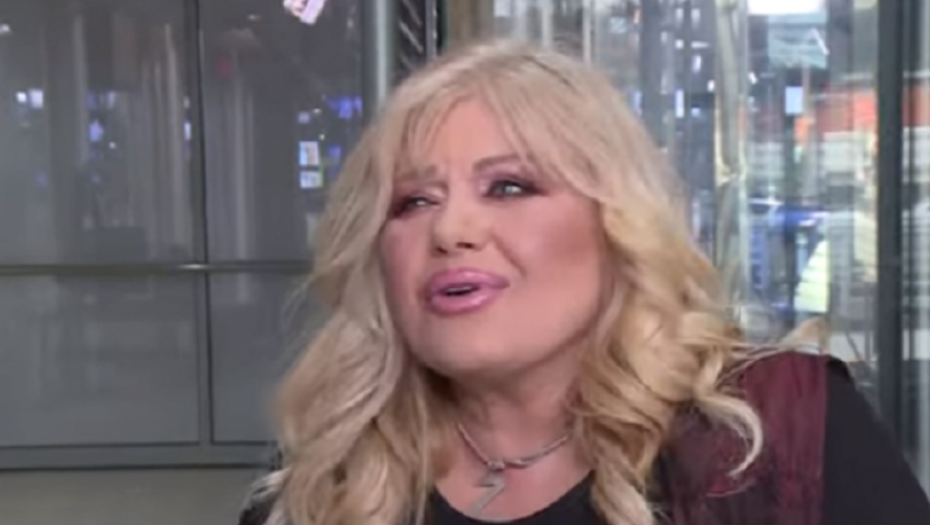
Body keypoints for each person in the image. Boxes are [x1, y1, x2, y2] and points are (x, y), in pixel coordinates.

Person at [239, 40, 930, 525]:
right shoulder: (328, 470)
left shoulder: (784, 433)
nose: (449, 230)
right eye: (413, 200)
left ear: (616, 224)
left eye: (509, 186)